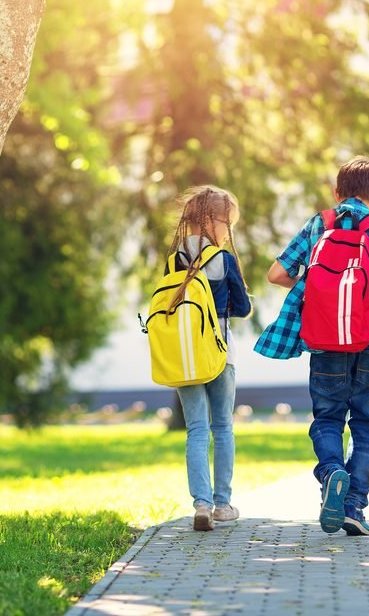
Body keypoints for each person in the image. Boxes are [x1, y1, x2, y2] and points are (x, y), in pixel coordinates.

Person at [262, 156, 369, 536]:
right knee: (367, 426)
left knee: (327, 418)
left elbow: (276, 274)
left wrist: (319, 291)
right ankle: (355, 504)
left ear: (336, 192)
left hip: (325, 341)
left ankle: (331, 472)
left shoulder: (317, 225)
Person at [167, 186, 252, 531]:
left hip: (184, 354)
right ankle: (223, 504)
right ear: (215, 222)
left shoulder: (175, 260)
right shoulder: (223, 259)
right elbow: (243, 308)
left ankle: (200, 504)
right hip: (218, 352)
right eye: (227, 222)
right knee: (223, 426)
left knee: (196, 429)